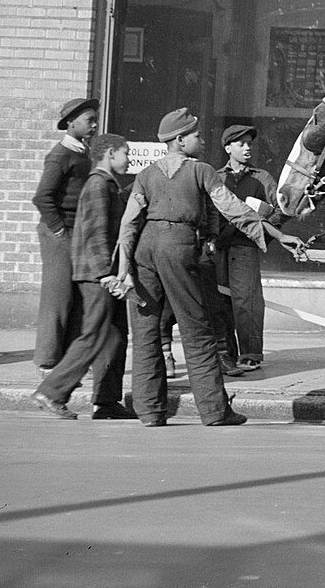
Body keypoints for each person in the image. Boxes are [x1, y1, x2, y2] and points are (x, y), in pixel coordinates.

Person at [118, 108, 295, 426]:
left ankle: (149, 411)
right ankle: (215, 411)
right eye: (196, 135)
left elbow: (129, 222)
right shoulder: (201, 171)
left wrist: (123, 269)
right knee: (197, 331)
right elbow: (234, 209)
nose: (201, 139)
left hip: (145, 249)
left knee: (145, 333)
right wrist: (272, 235)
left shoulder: (145, 175)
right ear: (179, 139)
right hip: (178, 246)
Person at [31, 134, 137, 420]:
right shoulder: (98, 185)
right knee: (93, 335)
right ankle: (51, 391)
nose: (129, 160)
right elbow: (96, 233)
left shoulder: (109, 185)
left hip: (103, 273)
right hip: (96, 275)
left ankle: (106, 402)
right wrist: (105, 274)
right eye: (125, 153)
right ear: (110, 154)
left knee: (115, 337)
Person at [30, 97, 98, 371]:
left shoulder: (83, 153)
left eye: (95, 120)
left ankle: (68, 362)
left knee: (76, 297)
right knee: (57, 297)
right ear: (71, 124)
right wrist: (59, 230)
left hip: (76, 232)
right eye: (88, 121)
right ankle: (47, 361)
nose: (94, 125)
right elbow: (42, 197)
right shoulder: (60, 155)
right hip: (59, 233)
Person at [213, 123, 279, 374]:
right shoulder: (217, 177)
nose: (247, 148)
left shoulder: (261, 178)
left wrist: (262, 234)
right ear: (228, 148)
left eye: (249, 143)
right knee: (220, 302)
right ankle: (226, 353)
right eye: (241, 144)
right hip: (218, 247)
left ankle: (250, 353)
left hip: (245, 248)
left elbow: (280, 209)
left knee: (247, 301)